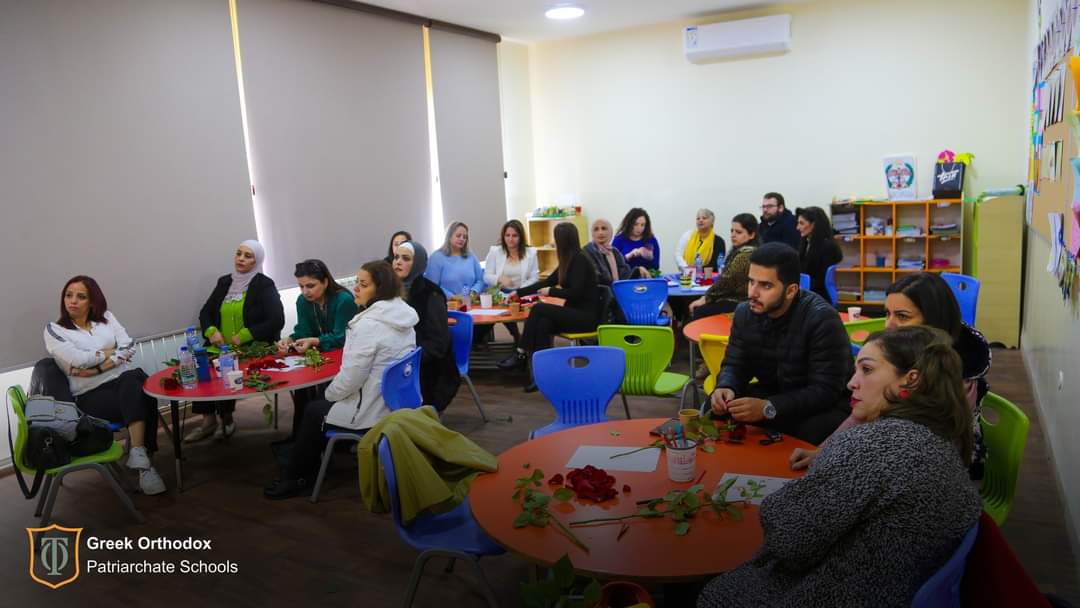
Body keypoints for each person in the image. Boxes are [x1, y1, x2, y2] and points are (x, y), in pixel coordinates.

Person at [698, 326, 982, 608]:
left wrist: (784, 500)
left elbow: (788, 541)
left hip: (833, 593)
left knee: (712, 591)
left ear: (910, 380)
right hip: (892, 588)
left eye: (867, 370)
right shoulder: (941, 437)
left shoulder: (875, 444)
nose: (851, 383)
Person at [790, 272, 991, 477]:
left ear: (933, 318)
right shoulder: (907, 354)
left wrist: (837, 456)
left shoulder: (951, 372)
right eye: (887, 314)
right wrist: (824, 451)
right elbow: (861, 414)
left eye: (902, 316)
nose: (889, 325)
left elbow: (917, 451)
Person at [264, 260, 417, 499]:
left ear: (380, 289)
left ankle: (296, 477)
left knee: (314, 410)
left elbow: (351, 379)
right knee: (317, 404)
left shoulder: (367, 325)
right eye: (357, 282)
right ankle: (308, 466)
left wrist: (329, 394)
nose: (355, 288)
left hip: (372, 410)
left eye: (363, 284)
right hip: (397, 402)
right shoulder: (404, 318)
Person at [709, 243, 852, 445]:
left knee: (811, 431)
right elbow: (735, 363)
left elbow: (825, 391)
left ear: (791, 290)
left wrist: (769, 407)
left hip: (820, 405)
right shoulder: (744, 313)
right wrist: (726, 387)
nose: (752, 293)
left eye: (765, 286)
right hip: (773, 394)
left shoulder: (822, 319)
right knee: (716, 409)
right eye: (751, 282)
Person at [43, 276, 166, 495]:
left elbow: (129, 345)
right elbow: (79, 360)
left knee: (133, 379)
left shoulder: (107, 318)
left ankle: (140, 455)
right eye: (68, 295)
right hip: (90, 396)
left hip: (122, 385)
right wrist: (111, 353)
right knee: (142, 392)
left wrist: (96, 369)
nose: (72, 301)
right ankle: (145, 463)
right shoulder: (55, 330)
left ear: (92, 301)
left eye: (81, 296)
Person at [187, 240, 285, 442]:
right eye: (238, 253)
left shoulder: (263, 284)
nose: (240, 259)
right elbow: (206, 312)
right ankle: (208, 421)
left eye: (248, 256)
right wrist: (211, 331)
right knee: (202, 366)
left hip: (251, 347)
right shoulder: (224, 282)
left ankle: (227, 419)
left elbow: (276, 319)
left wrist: (245, 335)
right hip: (219, 346)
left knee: (227, 369)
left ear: (257, 261)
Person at [497, 223, 600, 393]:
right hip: (573, 313)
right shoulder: (568, 260)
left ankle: (520, 352)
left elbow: (575, 294)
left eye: (556, 239)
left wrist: (551, 291)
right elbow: (546, 282)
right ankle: (541, 378)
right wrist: (518, 293)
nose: (554, 242)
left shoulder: (580, 260)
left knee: (539, 309)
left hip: (585, 317)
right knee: (543, 323)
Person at [275, 259, 358, 440]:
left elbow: (342, 338)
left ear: (325, 282)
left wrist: (315, 341)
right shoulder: (302, 301)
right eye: (301, 286)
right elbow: (303, 330)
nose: (305, 291)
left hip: (345, 359)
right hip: (320, 358)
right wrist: (290, 339)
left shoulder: (344, 300)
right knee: (302, 386)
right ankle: (303, 437)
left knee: (322, 393)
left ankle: (327, 436)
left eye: (310, 286)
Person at [392, 241, 461, 410]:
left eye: (405, 258)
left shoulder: (431, 293)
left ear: (418, 263)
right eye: (396, 257)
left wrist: (407, 358)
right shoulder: (389, 291)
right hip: (397, 360)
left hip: (428, 368)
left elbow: (437, 344)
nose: (398, 262)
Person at [688, 213, 759, 319]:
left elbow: (727, 280)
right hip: (732, 298)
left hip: (739, 301)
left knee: (698, 310)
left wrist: (706, 298)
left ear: (752, 235)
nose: (733, 235)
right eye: (732, 231)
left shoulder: (746, 255)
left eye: (738, 232)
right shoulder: (742, 251)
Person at [425, 222, 485, 299]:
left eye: (465, 237)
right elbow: (432, 286)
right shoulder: (436, 257)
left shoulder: (470, 256)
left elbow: (480, 280)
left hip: (470, 301)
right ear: (449, 236)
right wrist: (453, 297)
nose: (462, 239)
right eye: (458, 236)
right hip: (446, 302)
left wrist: (473, 292)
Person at [796, 206, 843, 304]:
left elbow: (819, 281)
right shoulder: (806, 242)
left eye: (801, 223)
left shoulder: (827, 247)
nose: (798, 227)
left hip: (819, 296)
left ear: (814, 224)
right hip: (807, 292)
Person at [483, 219, 539, 291]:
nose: (510, 239)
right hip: (500, 293)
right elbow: (486, 276)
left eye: (515, 236)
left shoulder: (531, 252)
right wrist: (499, 279)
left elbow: (534, 277)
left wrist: (521, 290)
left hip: (522, 292)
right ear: (503, 236)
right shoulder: (495, 251)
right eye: (507, 235)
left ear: (521, 237)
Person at [582, 218, 633, 286]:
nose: (600, 232)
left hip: (618, 290)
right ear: (592, 234)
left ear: (610, 231)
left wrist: (638, 271)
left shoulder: (614, 251)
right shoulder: (587, 251)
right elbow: (595, 277)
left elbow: (625, 275)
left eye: (604, 228)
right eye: (596, 229)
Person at [611, 208, 659, 278]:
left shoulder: (651, 240)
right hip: (626, 280)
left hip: (647, 279)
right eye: (636, 224)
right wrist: (629, 256)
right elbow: (612, 265)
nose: (639, 228)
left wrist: (650, 258)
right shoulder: (619, 239)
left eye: (642, 225)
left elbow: (656, 267)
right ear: (629, 223)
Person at [674, 209, 726, 273]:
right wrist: (686, 268)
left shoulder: (719, 241)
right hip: (687, 275)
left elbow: (715, 265)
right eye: (698, 218)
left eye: (704, 218)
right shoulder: (688, 235)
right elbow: (678, 254)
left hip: (708, 277)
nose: (700, 220)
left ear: (712, 221)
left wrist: (695, 270)